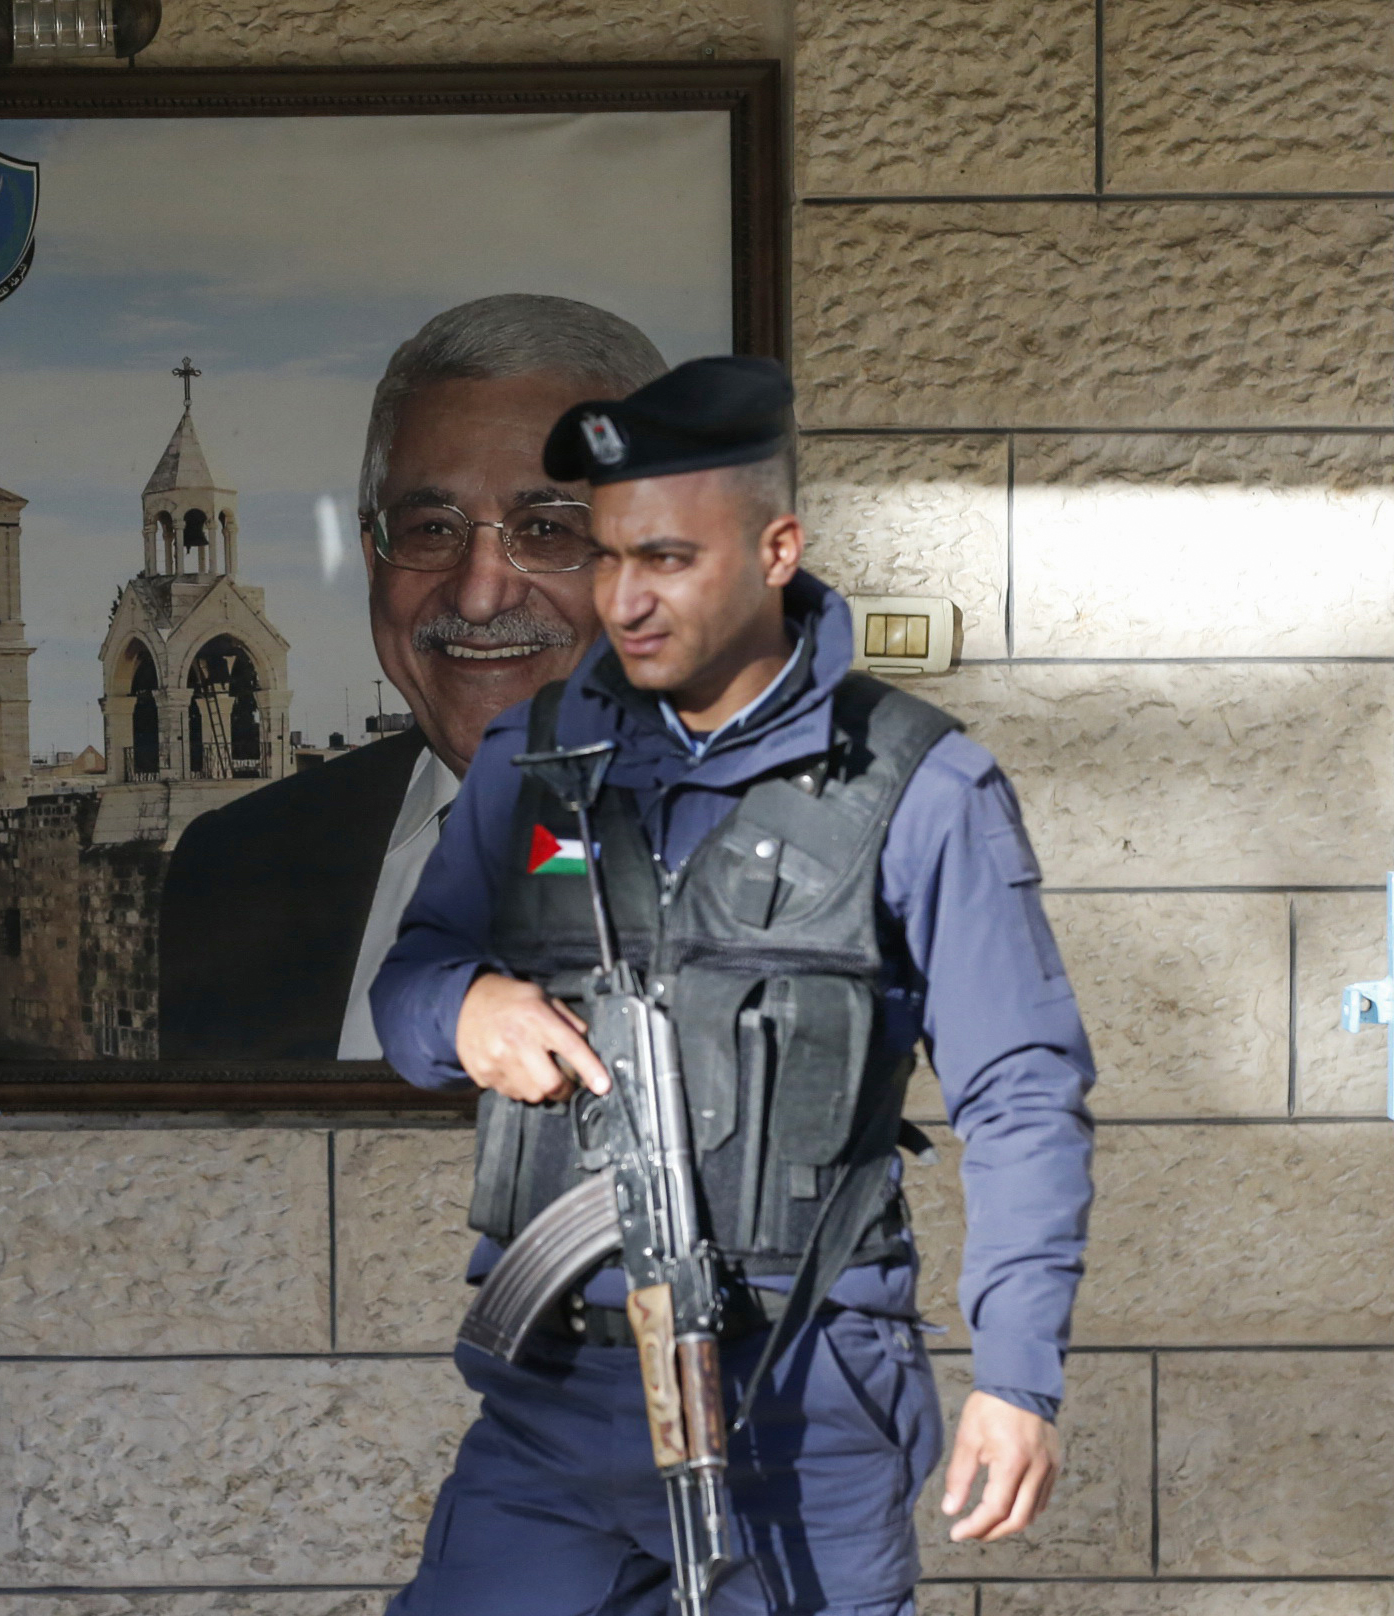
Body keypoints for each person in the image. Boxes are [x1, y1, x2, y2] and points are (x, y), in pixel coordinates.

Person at [371, 356, 1096, 1614]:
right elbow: (411, 982)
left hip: (799, 1405)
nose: (625, 599)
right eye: (604, 558)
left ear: (776, 549)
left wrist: (1017, 1376)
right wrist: (465, 1008)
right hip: (558, 1405)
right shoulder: (539, 759)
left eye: (667, 559)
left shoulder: (919, 787)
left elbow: (1023, 1092)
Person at [158, 295, 667, 1060]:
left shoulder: (803, 856)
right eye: (433, 530)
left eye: (549, 528)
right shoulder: (238, 869)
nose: (479, 592)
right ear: (372, 558)